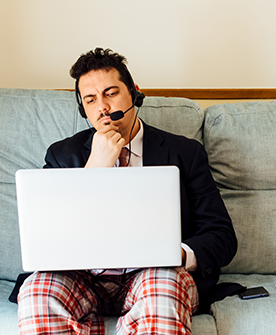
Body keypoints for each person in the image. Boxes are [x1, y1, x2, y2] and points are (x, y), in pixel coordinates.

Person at [15, 47, 242, 335]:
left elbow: (221, 236)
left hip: (153, 277)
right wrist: (95, 168)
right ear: (82, 108)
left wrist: (179, 254)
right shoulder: (63, 155)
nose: (103, 108)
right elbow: (46, 237)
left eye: (111, 93)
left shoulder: (185, 153)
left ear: (134, 93)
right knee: (37, 292)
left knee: (164, 289)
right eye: (91, 99)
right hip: (81, 279)